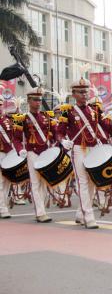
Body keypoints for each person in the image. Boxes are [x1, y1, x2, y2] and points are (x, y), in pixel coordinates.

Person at [56, 70, 112, 229]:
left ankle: (80, 214)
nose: (84, 94)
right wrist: (63, 141)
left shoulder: (94, 110)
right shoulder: (68, 111)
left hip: (93, 149)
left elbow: (108, 128)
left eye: (86, 91)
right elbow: (59, 131)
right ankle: (88, 216)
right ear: (73, 94)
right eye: (81, 92)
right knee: (82, 182)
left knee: (91, 183)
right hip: (78, 149)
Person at [13, 87, 57, 223]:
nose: (38, 102)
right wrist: (20, 149)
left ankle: (41, 209)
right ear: (28, 101)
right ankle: (40, 212)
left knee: (44, 182)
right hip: (32, 152)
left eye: (39, 99)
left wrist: (60, 143)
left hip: (45, 152)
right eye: (35, 100)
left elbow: (55, 133)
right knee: (35, 182)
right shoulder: (21, 118)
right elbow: (16, 138)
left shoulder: (47, 116)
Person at [0, 97, 14, 219]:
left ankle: (2, 206)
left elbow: (12, 136)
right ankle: (3, 209)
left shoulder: (6, 120)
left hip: (7, 152)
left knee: (6, 182)